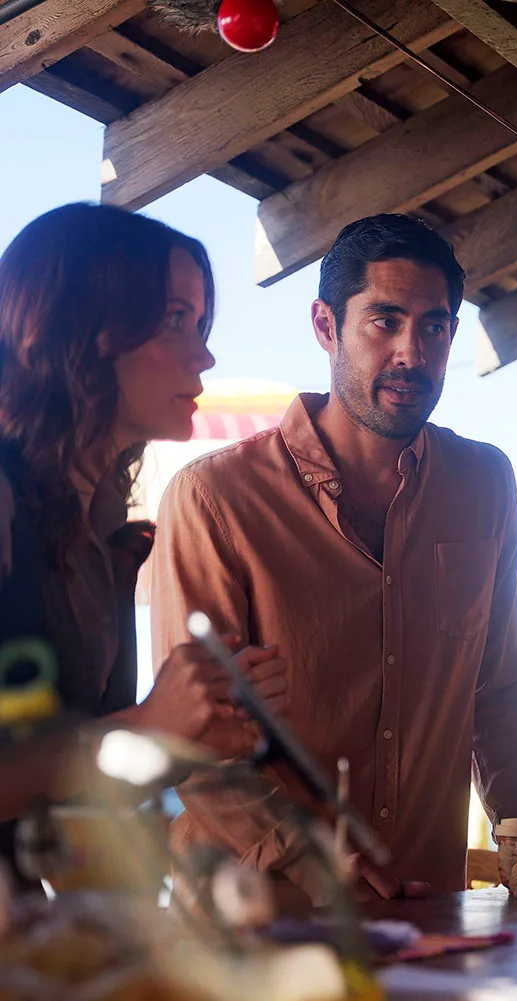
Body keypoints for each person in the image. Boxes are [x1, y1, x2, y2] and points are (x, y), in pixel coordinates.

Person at [151, 213, 517, 901]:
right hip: (252, 932)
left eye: (434, 326)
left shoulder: (484, 484)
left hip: (428, 919)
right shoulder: (213, 498)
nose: (412, 351)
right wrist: (304, 852)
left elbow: (502, 695)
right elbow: (197, 740)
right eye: (385, 320)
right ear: (325, 326)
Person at [0, 203, 285, 869]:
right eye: (174, 319)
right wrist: (148, 722)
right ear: (81, 328)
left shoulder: (104, 541)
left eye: (200, 321)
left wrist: (185, 737)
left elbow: (68, 804)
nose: (204, 352)